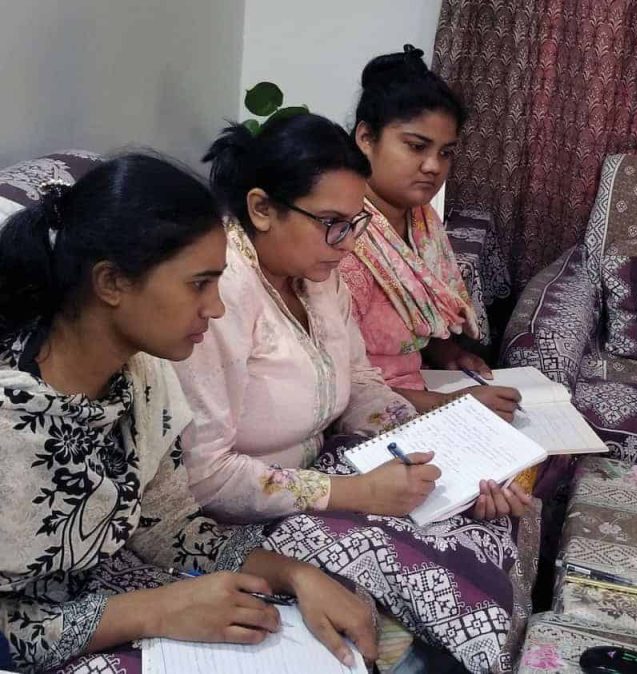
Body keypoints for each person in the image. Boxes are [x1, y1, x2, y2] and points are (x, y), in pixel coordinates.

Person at [173, 113, 537, 673]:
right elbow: (208, 478)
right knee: (448, 601)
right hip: (242, 513)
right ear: (261, 208)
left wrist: (453, 449)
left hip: (329, 469)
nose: (347, 244)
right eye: (330, 223)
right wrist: (357, 494)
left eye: (353, 223)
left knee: (478, 523)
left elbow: (360, 386)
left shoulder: (317, 274)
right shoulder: (219, 295)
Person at [0, 155, 375, 674]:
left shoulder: (141, 377)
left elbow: (168, 524)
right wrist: (149, 611)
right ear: (111, 283)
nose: (216, 308)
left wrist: (292, 575)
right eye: (199, 284)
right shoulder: (11, 417)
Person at [339, 45, 522, 420]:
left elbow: (411, 328)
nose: (432, 166)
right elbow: (337, 388)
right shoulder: (340, 235)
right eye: (416, 146)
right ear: (365, 138)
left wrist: (448, 354)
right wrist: (454, 407)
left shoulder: (422, 223)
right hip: (364, 414)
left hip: (420, 389)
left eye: (446, 152)